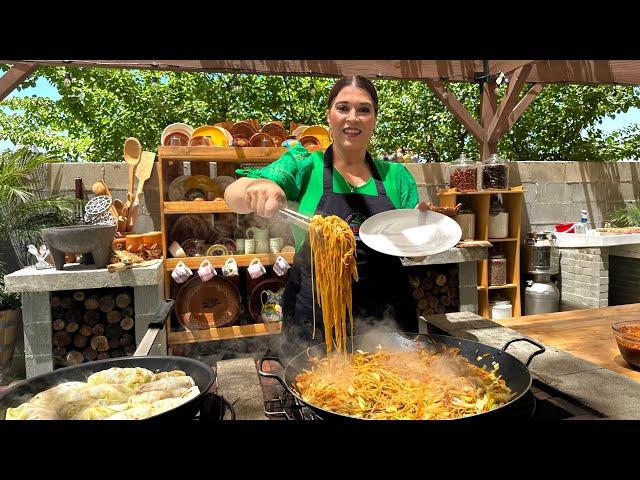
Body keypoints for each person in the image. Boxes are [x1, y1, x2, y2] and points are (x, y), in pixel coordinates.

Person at [225, 75, 427, 356]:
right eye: (343, 108)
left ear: (374, 119)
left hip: (386, 316)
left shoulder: (397, 177)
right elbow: (233, 196)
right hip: (315, 317)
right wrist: (258, 187)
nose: (352, 118)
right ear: (329, 116)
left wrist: (423, 236)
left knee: (395, 394)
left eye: (364, 110)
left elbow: (415, 254)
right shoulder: (305, 165)